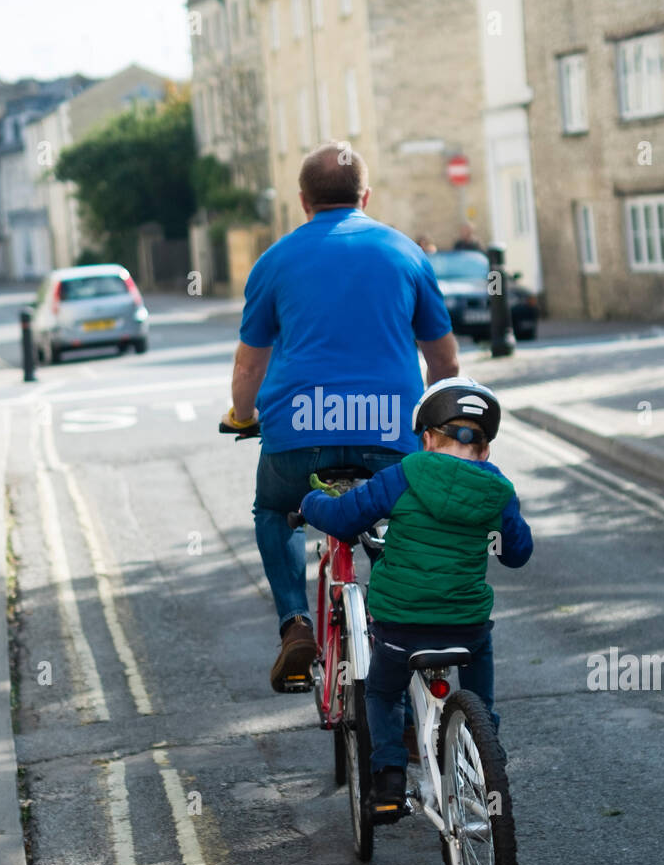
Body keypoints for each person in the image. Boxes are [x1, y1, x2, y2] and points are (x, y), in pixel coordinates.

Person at [222, 141, 460, 691]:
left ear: (303, 200)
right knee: (405, 514)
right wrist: (432, 429)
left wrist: (242, 414)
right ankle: (401, 630)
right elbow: (444, 360)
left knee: (275, 508)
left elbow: (248, 364)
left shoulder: (274, 261)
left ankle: (296, 624)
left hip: (298, 439)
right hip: (388, 435)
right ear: (366, 196)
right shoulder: (406, 253)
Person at [297, 377, 533, 813]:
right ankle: (485, 745)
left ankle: (387, 778)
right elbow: (518, 553)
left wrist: (311, 501)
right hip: (466, 626)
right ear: (485, 450)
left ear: (426, 438)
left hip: (400, 628)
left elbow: (344, 519)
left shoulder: (403, 475)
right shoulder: (497, 489)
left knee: (383, 692)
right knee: (478, 664)